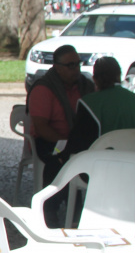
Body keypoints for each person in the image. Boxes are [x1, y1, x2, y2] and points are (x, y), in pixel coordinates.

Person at [27, 44, 94, 226]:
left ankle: (86, 209)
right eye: (70, 65)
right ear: (57, 67)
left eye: (77, 64)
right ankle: (51, 210)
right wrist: (65, 145)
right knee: (59, 160)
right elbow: (41, 128)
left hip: (77, 140)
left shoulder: (85, 86)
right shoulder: (44, 88)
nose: (75, 69)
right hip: (50, 140)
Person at [57, 56, 135, 160]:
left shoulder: (88, 103)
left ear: (95, 79)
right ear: (119, 75)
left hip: (105, 166)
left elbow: (79, 143)